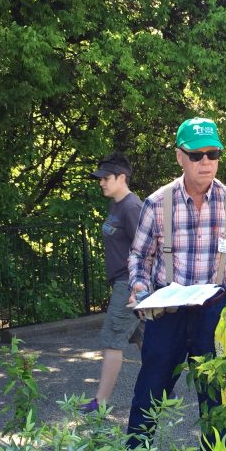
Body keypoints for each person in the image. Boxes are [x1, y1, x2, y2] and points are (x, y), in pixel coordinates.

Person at [126, 117, 226, 451]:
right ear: (180, 157)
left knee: (215, 403)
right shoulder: (157, 203)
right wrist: (139, 289)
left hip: (213, 312)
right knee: (148, 395)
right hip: (167, 311)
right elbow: (139, 257)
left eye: (213, 154)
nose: (206, 162)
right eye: (197, 155)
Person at [79, 152, 144, 412]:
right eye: (100, 178)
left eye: (106, 178)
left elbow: (149, 249)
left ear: (122, 178)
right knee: (145, 339)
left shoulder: (132, 207)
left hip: (129, 284)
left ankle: (100, 403)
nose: (101, 183)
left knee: (112, 340)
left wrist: (137, 288)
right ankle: (163, 386)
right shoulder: (116, 205)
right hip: (123, 282)